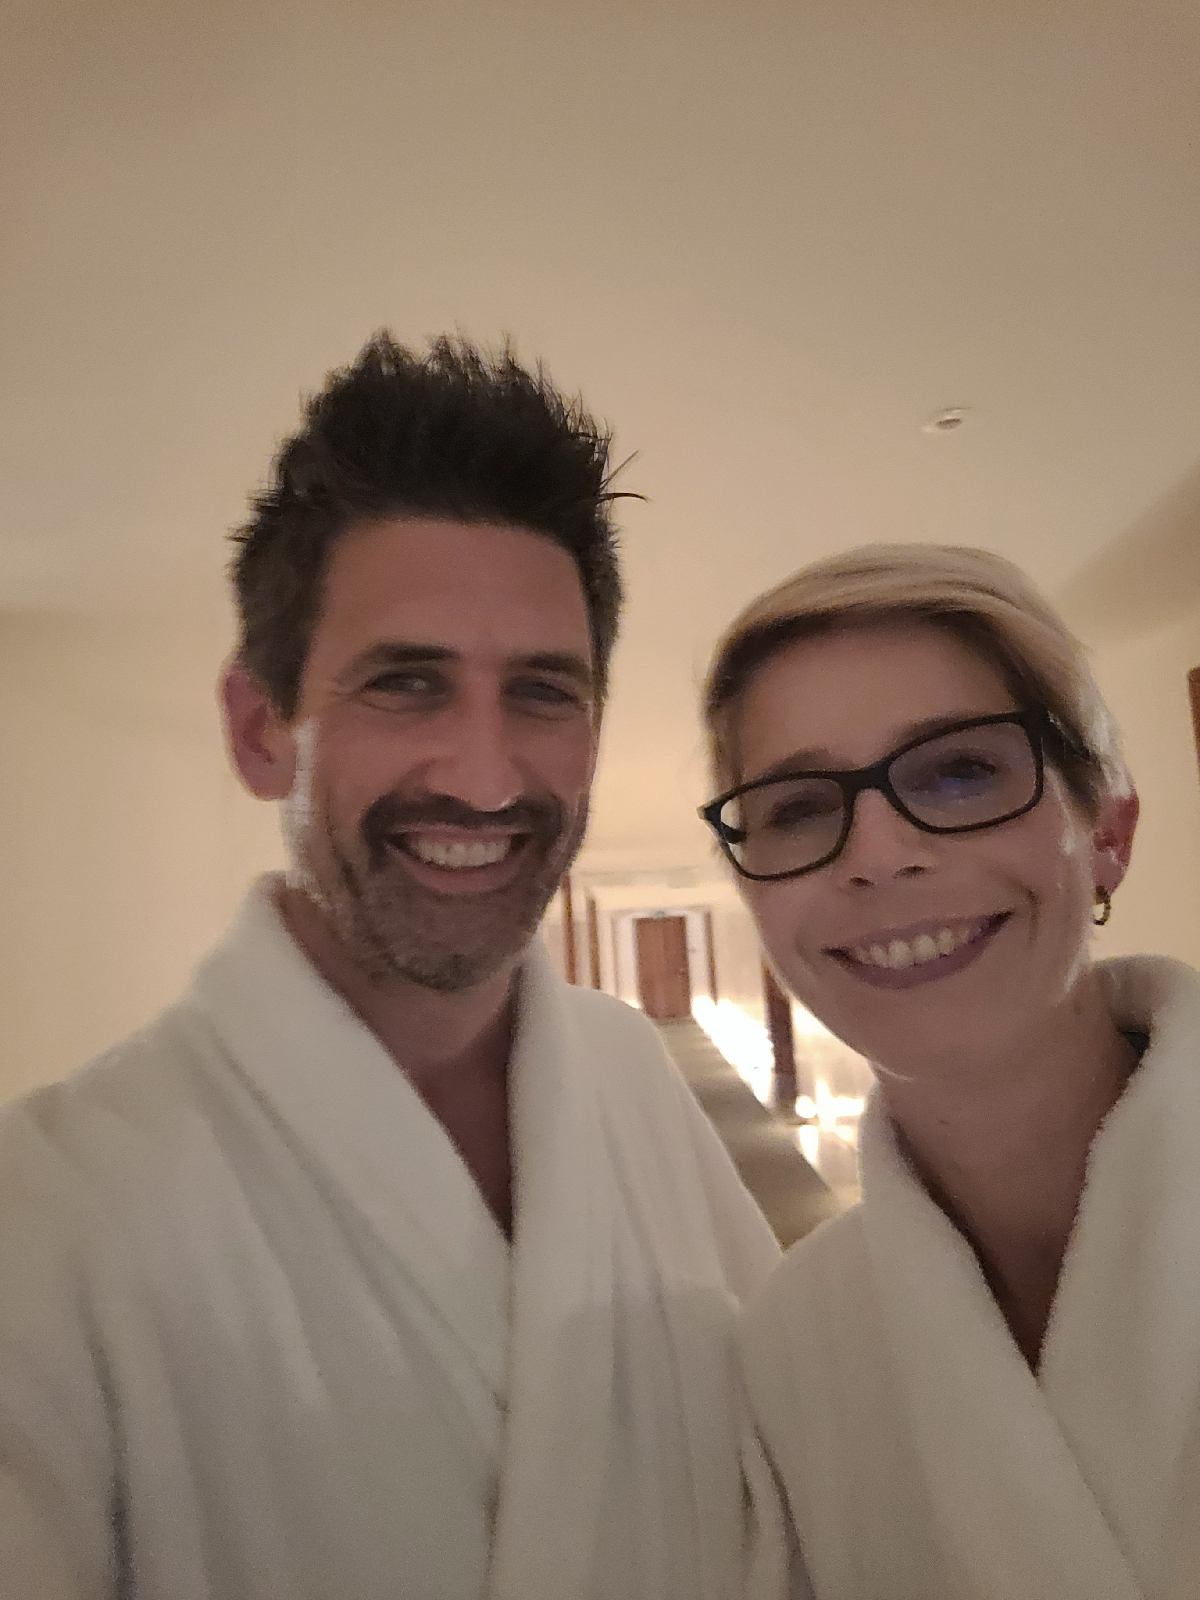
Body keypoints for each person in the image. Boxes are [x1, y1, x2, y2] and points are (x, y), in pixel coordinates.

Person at [0, 333, 780, 1600]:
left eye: (544, 691)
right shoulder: (51, 1209)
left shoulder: (633, 1080)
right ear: (261, 731)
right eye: (407, 683)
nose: (485, 776)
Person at [699, 542, 1200, 1600]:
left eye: (961, 770)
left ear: (1107, 831)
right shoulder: (795, 1348)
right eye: (798, 806)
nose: (878, 854)